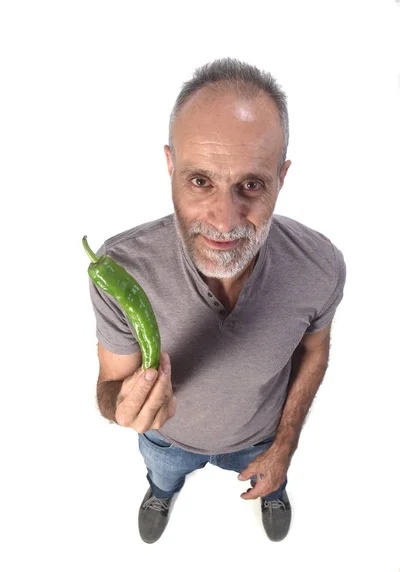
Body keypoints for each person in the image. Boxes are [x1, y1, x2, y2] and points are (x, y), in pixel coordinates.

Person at [88, 57, 346, 545]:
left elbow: (314, 351)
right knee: (162, 473)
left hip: (261, 436)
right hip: (168, 440)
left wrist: (285, 444)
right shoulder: (118, 269)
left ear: (282, 176)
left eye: (251, 184)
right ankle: (162, 490)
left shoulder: (320, 264)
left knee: (271, 471)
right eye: (200, 181)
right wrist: (120, 408)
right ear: (170, 165)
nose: (224, 222)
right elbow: (109, 383)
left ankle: (274, 485)